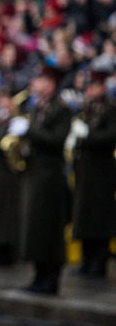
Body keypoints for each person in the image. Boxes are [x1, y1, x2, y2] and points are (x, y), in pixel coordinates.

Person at [7, 63, 72, 294]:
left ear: (50, 83)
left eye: (39, 80)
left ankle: (49, 278)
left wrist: (30, 129)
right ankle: (38, 275)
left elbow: (57, 140)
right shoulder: (37, 106)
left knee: (49, 229)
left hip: (50, 178)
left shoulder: (61, 108)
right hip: (35, 175)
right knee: (35, 228)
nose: (33, 84)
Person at [68, 61, 116, 278]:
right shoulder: (87, 109)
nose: (90, 91)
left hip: (102, 172)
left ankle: (99, 261)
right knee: (85, 217)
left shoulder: (110, 109)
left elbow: (109, 138)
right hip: (85, 171)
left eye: (94, 86)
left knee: (99, 218)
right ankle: (87, 260)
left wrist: (88, 135)